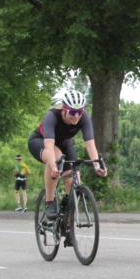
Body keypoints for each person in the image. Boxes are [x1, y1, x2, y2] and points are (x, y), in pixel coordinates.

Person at [28, 89, 107, 222]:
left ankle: (68, 224)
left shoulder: (84, 118)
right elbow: (49, 145)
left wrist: (97, 165)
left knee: (74, 179)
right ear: (64, 109)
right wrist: (53, 167)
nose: (76, 116)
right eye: (72, 112)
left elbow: (90, 144)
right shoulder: (51, 116)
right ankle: (49, 201)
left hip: (65, 143)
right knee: (56, 157)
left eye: (79, 112)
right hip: (40, 141)